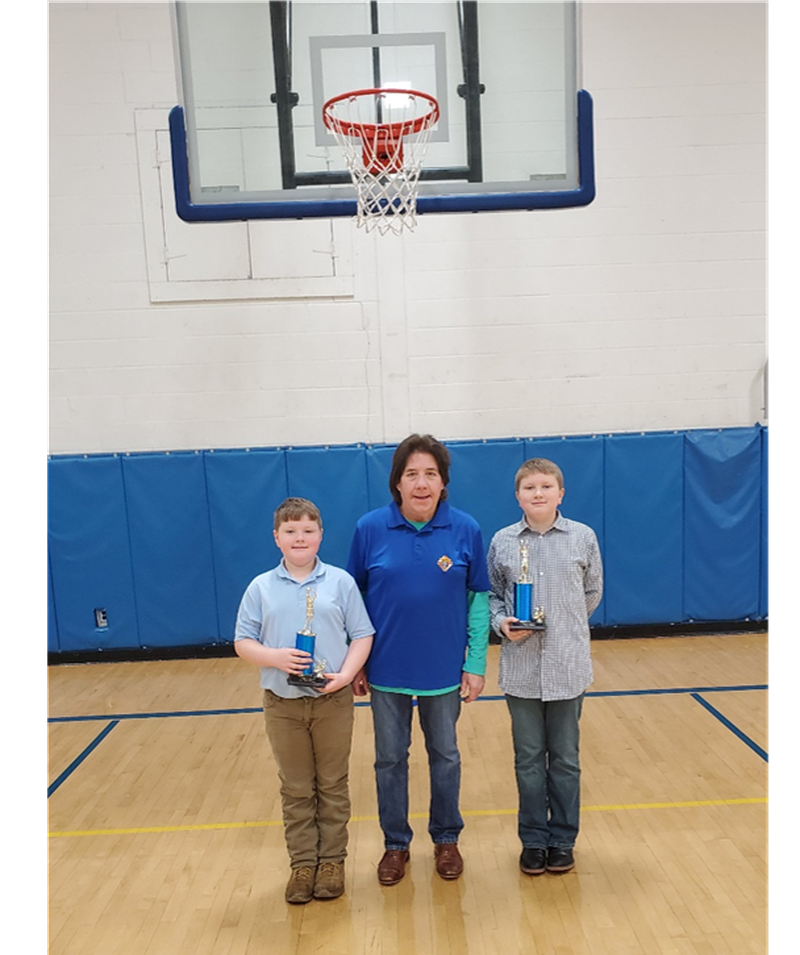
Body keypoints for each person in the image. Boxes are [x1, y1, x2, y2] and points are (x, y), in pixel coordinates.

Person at [347, 434, 491, 885]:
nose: (421, 483)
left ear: (444, 482)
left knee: (445, 756)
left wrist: (476, 663)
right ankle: (395, 845)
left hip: (444, 672)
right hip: (387, 671)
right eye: (412, 474)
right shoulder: (369, 528)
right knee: (389, 759)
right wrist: (356, 662)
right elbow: (351, 600)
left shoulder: (465, 528)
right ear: (397, 483)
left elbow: (480, 600)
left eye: (430, 474)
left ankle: (446, 839)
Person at [234, 498, 374, 904]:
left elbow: (362, 634)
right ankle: (301, 865)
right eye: (291, 531)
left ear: (320, 536)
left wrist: (346, 676)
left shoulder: (340, 583)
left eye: (308, 530)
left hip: (332, 701)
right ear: (276, 537)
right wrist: (274, 657)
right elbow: (242, 642)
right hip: (283, 703)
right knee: (296, 787)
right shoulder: (260, 587)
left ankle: (331, 862)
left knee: (332, 784)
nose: (300, 538)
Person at [487, 458, 602, 876]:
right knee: (529, 759)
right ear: (517, 495)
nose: (538, 493)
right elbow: (492, 596)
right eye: (529, 487)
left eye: (546, 487)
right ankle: (534, 840)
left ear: (560, 493)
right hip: (520, 670)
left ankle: (563, 839)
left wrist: (565, 627)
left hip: (568, 667)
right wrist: (505, 624)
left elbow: (592, 592)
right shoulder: (502, 541)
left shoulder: (582, 537)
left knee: (566, 759)